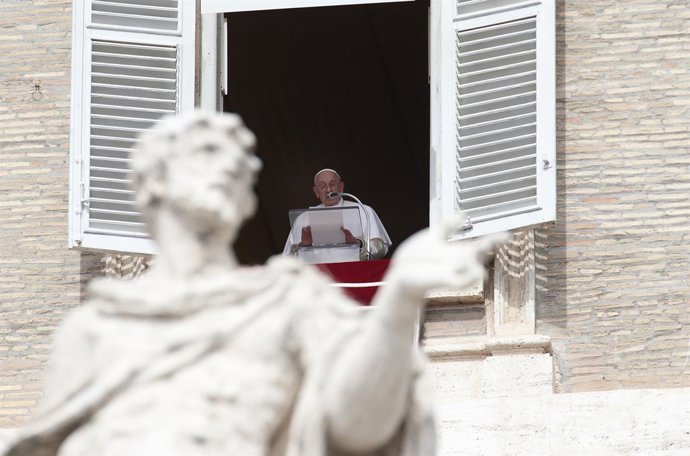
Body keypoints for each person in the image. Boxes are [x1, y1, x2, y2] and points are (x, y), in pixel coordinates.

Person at [1, 111, 498, 456]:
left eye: (236, 163)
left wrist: (399, 301)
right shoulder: (93, 328)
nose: (228, 166)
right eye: (202, 153)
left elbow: (359, 428)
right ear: (150, 185)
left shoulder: (292, 303)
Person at [283, 168, 392, 260]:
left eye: (332, 184)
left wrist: (358, 244)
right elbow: (288, 260)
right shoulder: (303, 218)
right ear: (316, 191)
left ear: (341, 187)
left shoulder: (363, 210)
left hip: (355, 273)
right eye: (322, 186)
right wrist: (304, 246)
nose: (328, 189)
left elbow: (381, 249)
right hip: (319, 279)